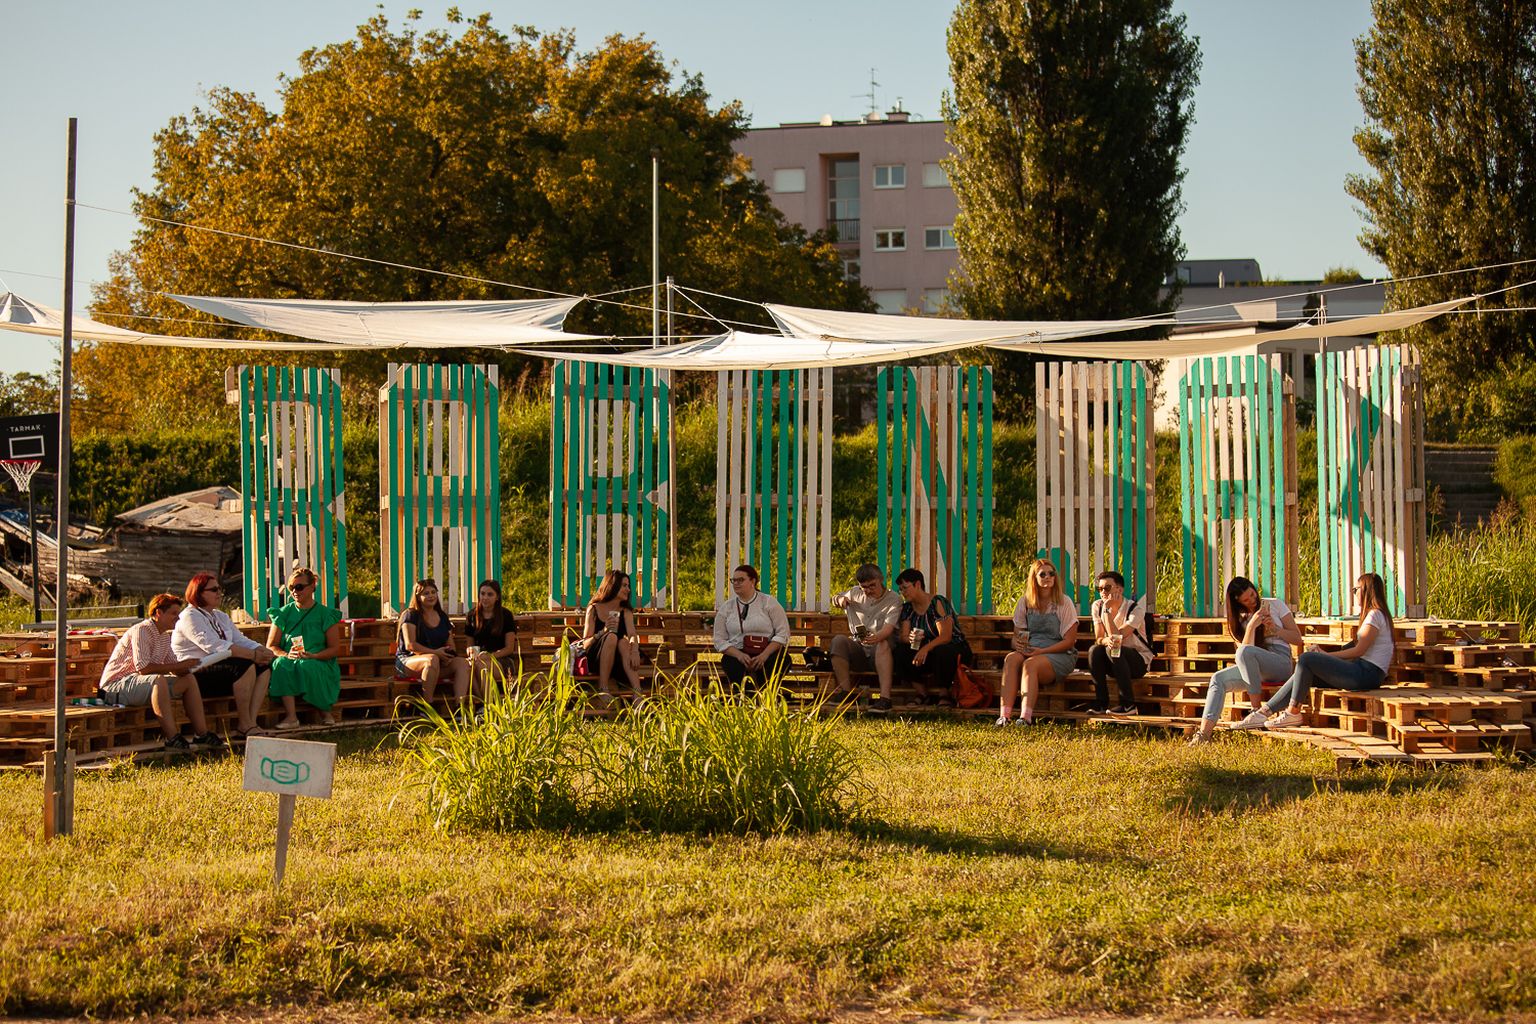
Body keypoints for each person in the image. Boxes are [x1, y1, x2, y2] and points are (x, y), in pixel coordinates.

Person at [1231, 572, 1396, 732]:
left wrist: (1325, 656)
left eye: (1356, 590)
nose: (1354, 593)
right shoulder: (1376, 615)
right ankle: (1263, 713)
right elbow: (1355, 645)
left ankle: (1292, 712)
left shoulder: (1374, 615)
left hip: (1367, 673)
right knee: (1306, 672)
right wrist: (1323, 654)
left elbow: (1359, 651)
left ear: (1365, 590)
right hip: (1365, 672)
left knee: (1306, 659)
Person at [99, 593, 224, 750]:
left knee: (188, 680)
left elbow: (175, 667)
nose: (177, 618)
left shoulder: (164, 636)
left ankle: (202, 734)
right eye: (173, 613)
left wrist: (194, 667)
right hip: (115, 686)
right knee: (158, 680)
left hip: (139, 685)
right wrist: (178, 666)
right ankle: (172, 738)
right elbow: (143, 668)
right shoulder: (142, 630)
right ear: (158, 613)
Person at [1189, 576, 1301, 744]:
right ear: (1238, 602)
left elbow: (1298, 639)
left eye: (1253, 595)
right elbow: (1243, 655)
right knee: (1217, 679)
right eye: (1246, 600)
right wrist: (1251, 626)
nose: (1252, 601)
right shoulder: (1239, 619)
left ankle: (1256, 711)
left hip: (1280, 663)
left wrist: (1276, 629)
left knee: (1245, 652)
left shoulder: (1275, 604)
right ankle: (1204, 734)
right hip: (1254, 669)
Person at [172, 571, 273, 739]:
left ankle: (250, 722)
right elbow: (215, 646)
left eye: (219, 589)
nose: (219, 593)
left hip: (219, 667)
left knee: (264, 667)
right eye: (214, 590)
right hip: (195, 672)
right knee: (245, 665)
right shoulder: (190, 616)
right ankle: (245, 724)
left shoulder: (220, 616)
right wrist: (253, 655)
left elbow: (240, 640)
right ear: (198, 593)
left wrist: (263, 650)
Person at [997, 558, 1079, 726]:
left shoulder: (1064, 602)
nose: (1048, 577)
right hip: (1032, 649)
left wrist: (1041, 651)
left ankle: (1025, 718)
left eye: (1051, 574)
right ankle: (1004, 716)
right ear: (1034, 578)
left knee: (1030, 664)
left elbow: (1070, 641)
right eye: (1042, 574)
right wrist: (1018, 645)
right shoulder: (1025, 602)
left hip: (1059, 652)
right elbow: (1017, 636)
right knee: (1011, 658)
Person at [265, 567, 344, 730]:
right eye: (291, 587)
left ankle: (325, 713)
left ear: (312, 586)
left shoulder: (325, 614)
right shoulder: (284, 613)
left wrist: (315, 656)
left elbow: (334, 648)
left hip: (319, 660)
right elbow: (271, 646)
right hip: (291, 658)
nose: (295, 591)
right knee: (281, 664)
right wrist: (285, 654)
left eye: (299, 587)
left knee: (309, 666)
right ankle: (291, 717)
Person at [892, 568, 971, 706]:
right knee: (900, 651)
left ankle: (944, 694)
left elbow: (946, 636)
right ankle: (922, 693)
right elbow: (903, 636)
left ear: (917, 584)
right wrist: (910, 638)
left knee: (943, 650)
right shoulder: (908, 608)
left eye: (905, 588)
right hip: (926, 651)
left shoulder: (937, 602)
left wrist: (925, 649)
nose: (903, 592)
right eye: (900, 589)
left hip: (952, 649)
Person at [829, 563, 902, 713]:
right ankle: (846, 693)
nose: (868, 590)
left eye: (872, 585)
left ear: (881, 580)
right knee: (838, 641)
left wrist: (875, 638)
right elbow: (835, 598)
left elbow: (888, 629)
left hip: (881, 651)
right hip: (859, 647)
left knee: (883, 643)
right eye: (864, 587)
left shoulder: (894, 599)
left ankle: (885, 698)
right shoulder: (855, 593)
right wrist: (840, 600)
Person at [713, 564, 791, 689]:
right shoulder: (727, 607)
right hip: (738, 651)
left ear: (752, 581)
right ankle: (743, 695)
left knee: (781, 661)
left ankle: (766, 694)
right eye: (734, 580)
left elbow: (783, 633)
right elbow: (719, 639)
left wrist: (764, 655)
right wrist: (739, 655)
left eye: (741, 580)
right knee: (731, 664)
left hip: (766, 650)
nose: (736, 583)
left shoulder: (769, 603)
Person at [1087, 571, 1153, 716]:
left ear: (1120, 590)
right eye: (1100, 589)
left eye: (1107, 588)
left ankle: (1128, 704)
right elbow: (1099, 638)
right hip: (1113, 660)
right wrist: (1106, 640)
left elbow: (1118, 638)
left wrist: (1107, 612)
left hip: (1137, 662)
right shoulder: (1097, 606)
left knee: (1114, 648)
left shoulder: (1135, 609)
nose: (1103, 592)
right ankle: (1101, 702)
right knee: (1094, 650)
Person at [396, 578, 471, 705]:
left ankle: (460, 707)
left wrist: (448, 656)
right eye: (426, 593)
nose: (431, 596)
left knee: (462, 663)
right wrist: (436, 653)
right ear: (418, 597)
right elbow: (410, 645)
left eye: (433, 592)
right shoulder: (411, 615)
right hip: (409, 661)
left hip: (437, 661)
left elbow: (451, 644)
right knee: (432, 659)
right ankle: (428, 706)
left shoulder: (442, 616)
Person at [580, 570, 646, 706]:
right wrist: (603, 632)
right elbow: (585, 644)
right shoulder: (594, 609)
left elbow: (632, 635)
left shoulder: (625, 610)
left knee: (623, 642)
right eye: (624, 586)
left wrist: (635, 650)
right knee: (611, 637)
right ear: (612, 586)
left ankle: (637, 693)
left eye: (628, 586)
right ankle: (603, 689)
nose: (628, 590)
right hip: (597, 657)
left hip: (619, 658)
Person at [465, 579, 518, 686]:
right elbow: (470, 645)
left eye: (490, 594)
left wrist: (489, 656)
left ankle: (486, 697)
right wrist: (471, 653)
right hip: (479, 659)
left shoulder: (506, 615)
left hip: (502, 660)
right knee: (467, 668)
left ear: (497, 597)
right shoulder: (472, 615)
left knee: (481, 667)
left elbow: (509, 648)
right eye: (482, 593)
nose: (485, 597)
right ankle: (485, 696)